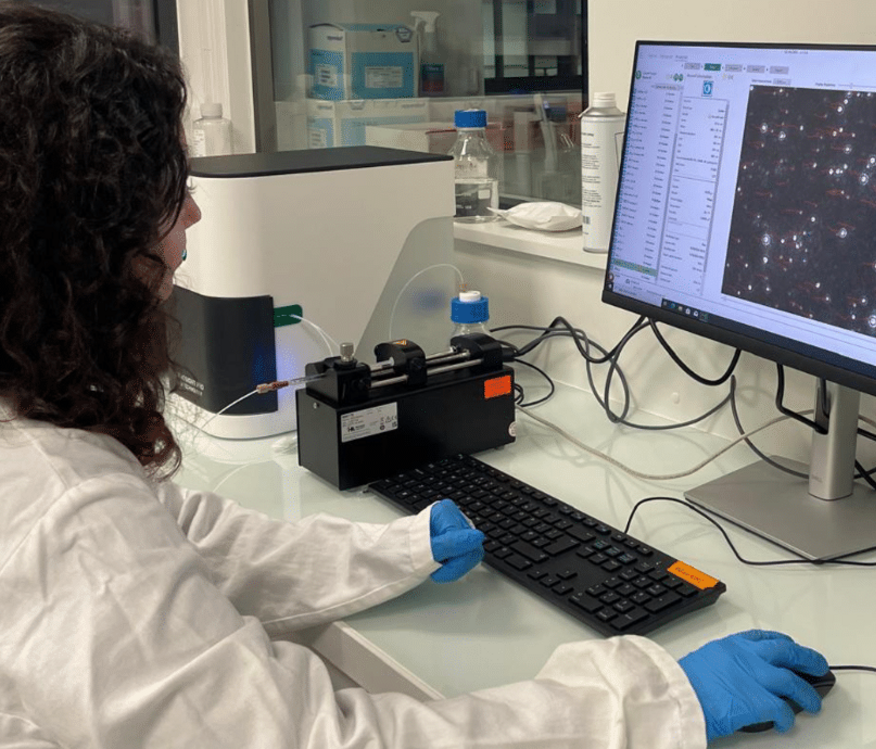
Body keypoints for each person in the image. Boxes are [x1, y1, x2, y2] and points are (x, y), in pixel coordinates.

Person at [0, 5, 830, 747]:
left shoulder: (37, 441)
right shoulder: (67, 512)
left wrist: (389, 551)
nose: (194, 212)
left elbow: (182, 537)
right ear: (84, 241)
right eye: (167, 190)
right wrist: (649, 704)